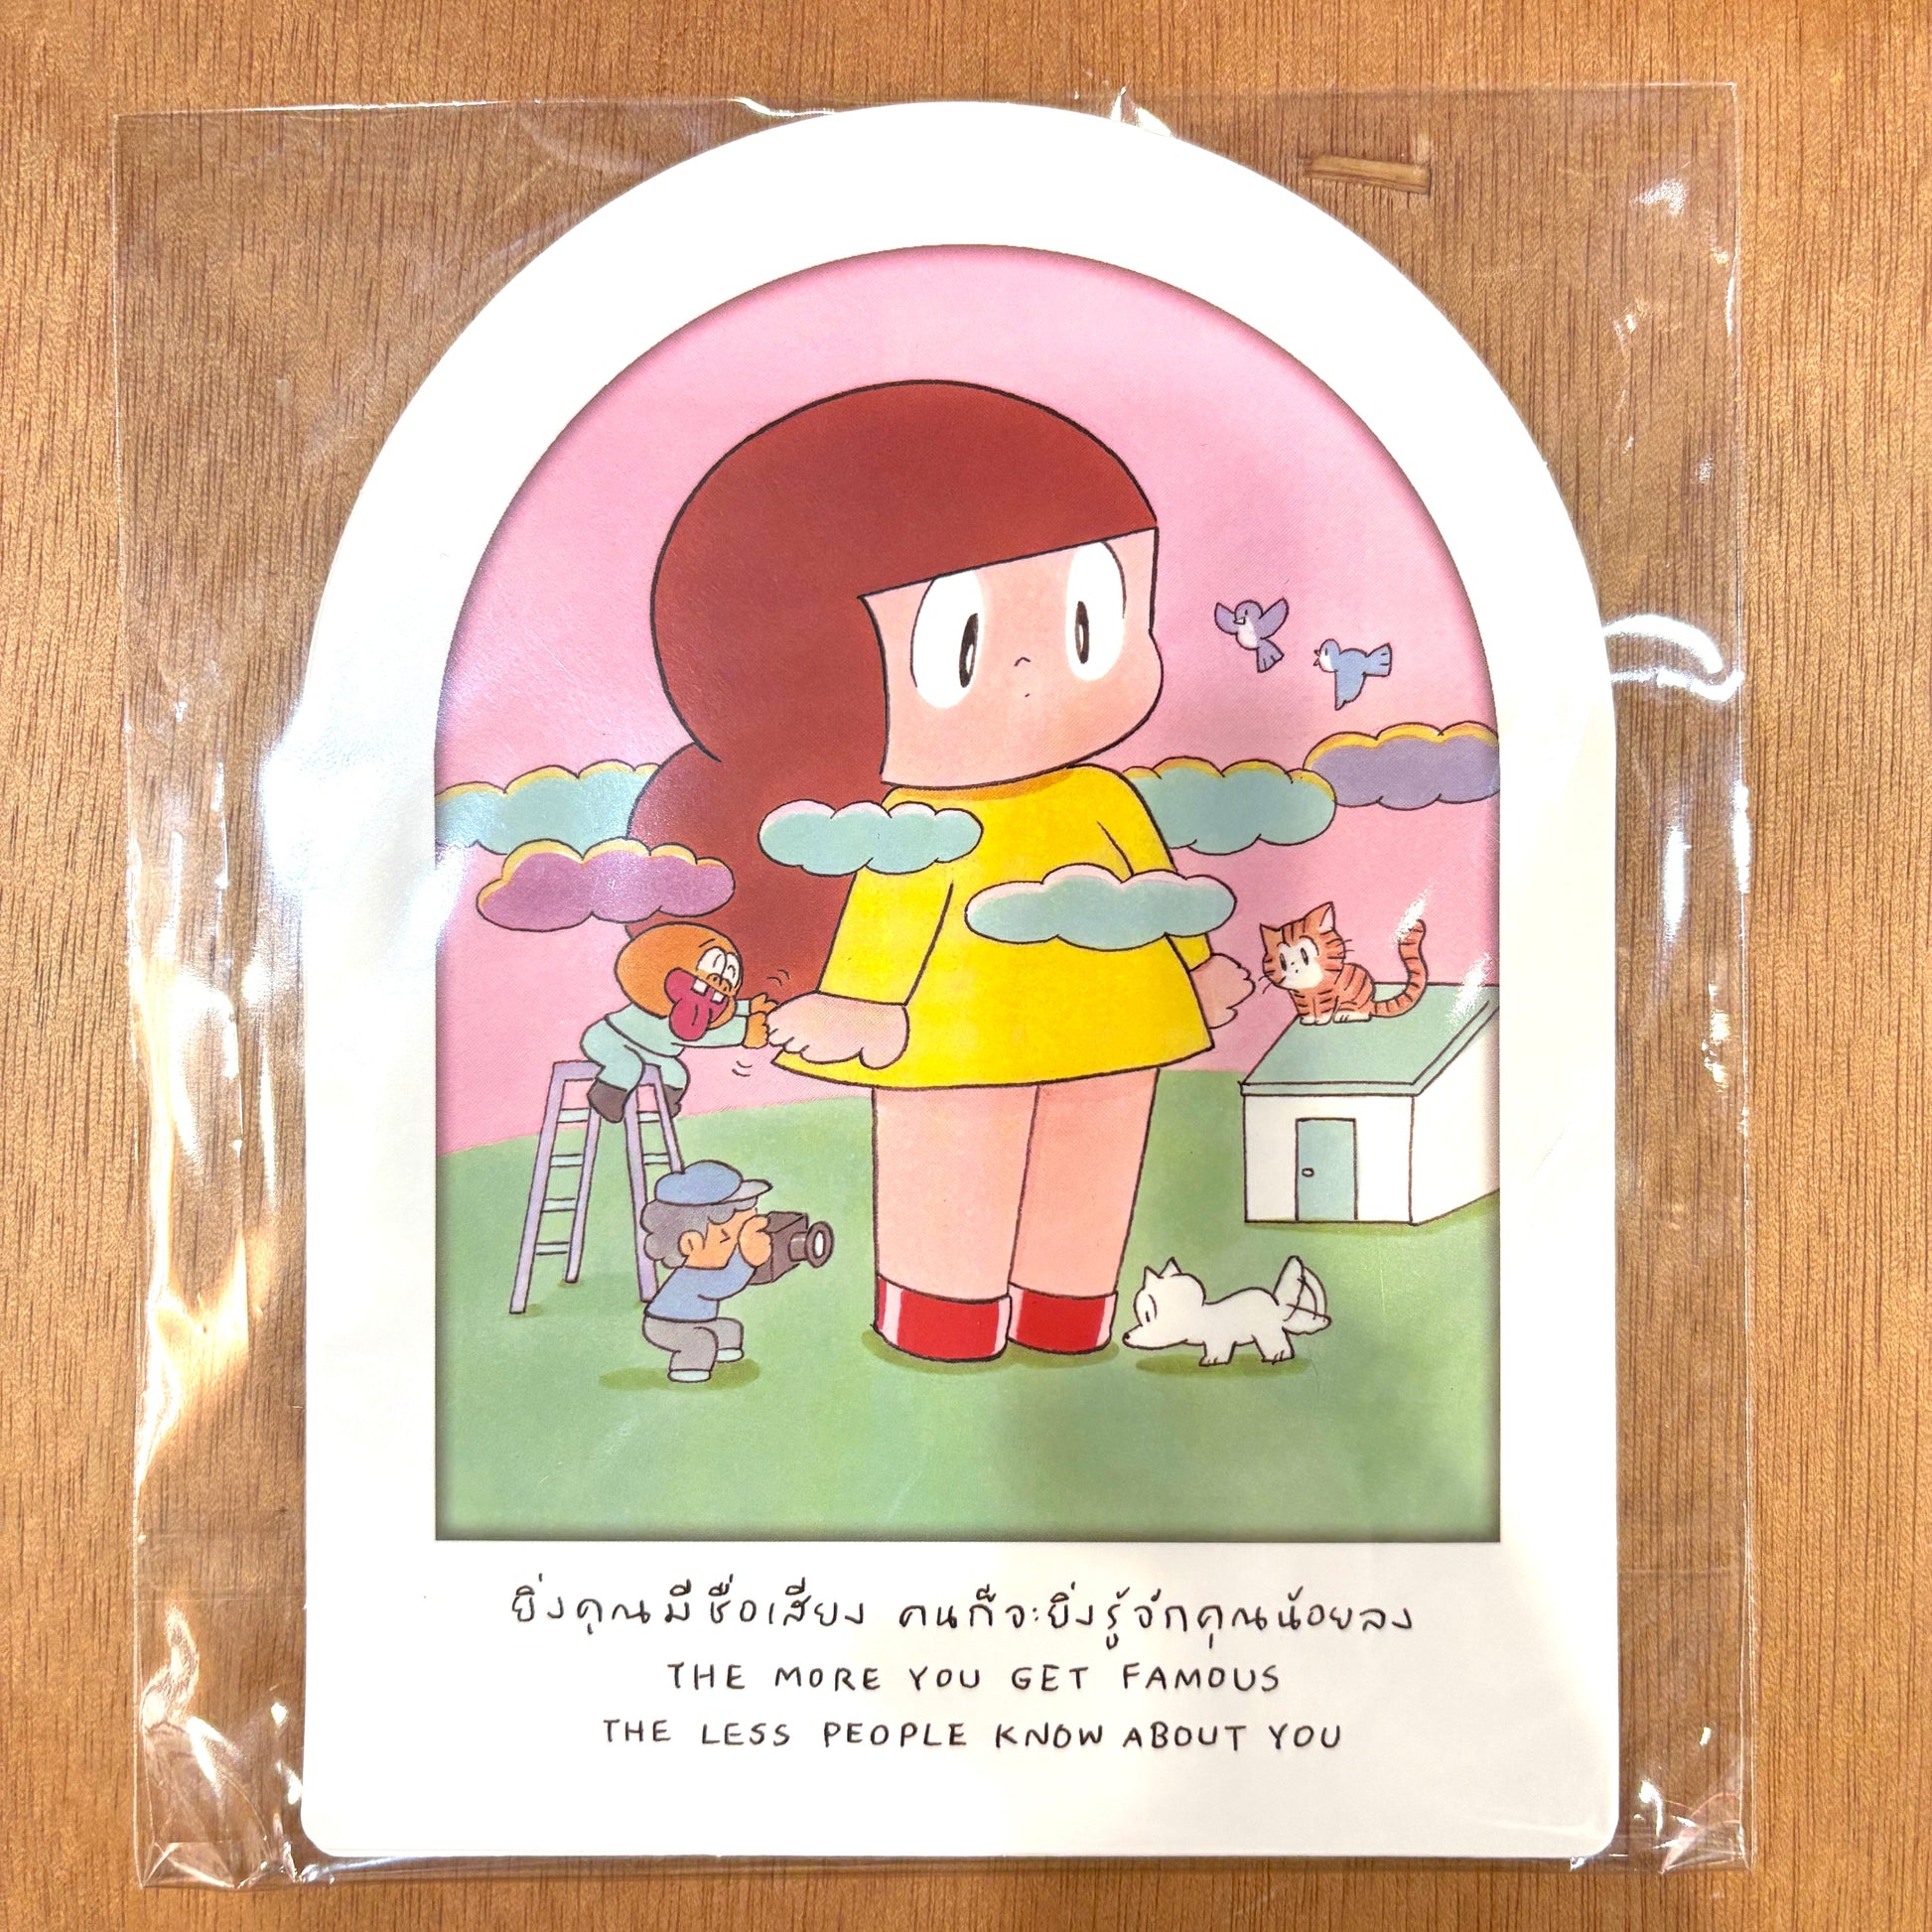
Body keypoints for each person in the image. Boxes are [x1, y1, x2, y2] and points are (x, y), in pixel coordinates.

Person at [631, 382, 1251, 1364]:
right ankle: (944, 1313)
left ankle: (1068, 1309)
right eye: (962, 644)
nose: (1032, 671)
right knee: (954, 1168)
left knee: (1090, 1171)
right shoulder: (918, 823)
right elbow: (894, 913)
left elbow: (1154, 887)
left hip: (1120, 1019)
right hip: (953, 1035)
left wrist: (1198, 966)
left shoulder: (1105, 796)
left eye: (1088, 619)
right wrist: (864, 1004)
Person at [638, 1161, 773, 1383]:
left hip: (697, 1321)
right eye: (727, 1238)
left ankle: (722, 1353)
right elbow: (723, 1285)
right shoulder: (693, 1275)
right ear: (691, 1244)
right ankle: (687, 1369)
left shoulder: (706, 1268)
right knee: (700, 1340)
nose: (735, 1246)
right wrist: (746, 1260)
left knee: (729, 1328)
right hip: (664, 1324)